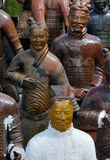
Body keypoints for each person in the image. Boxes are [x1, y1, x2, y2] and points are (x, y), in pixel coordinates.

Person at [6, 18, 76, 148]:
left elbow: (64, 87)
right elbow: (9, 74)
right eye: (34, 37)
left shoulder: (53, 62)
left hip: (46, 118)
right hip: (25, 116)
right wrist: (22, 80)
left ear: (47, 36)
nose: (38, 40)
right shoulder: (22, 57)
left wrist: (72, 106)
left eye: (41, 37)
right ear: (28, 37)